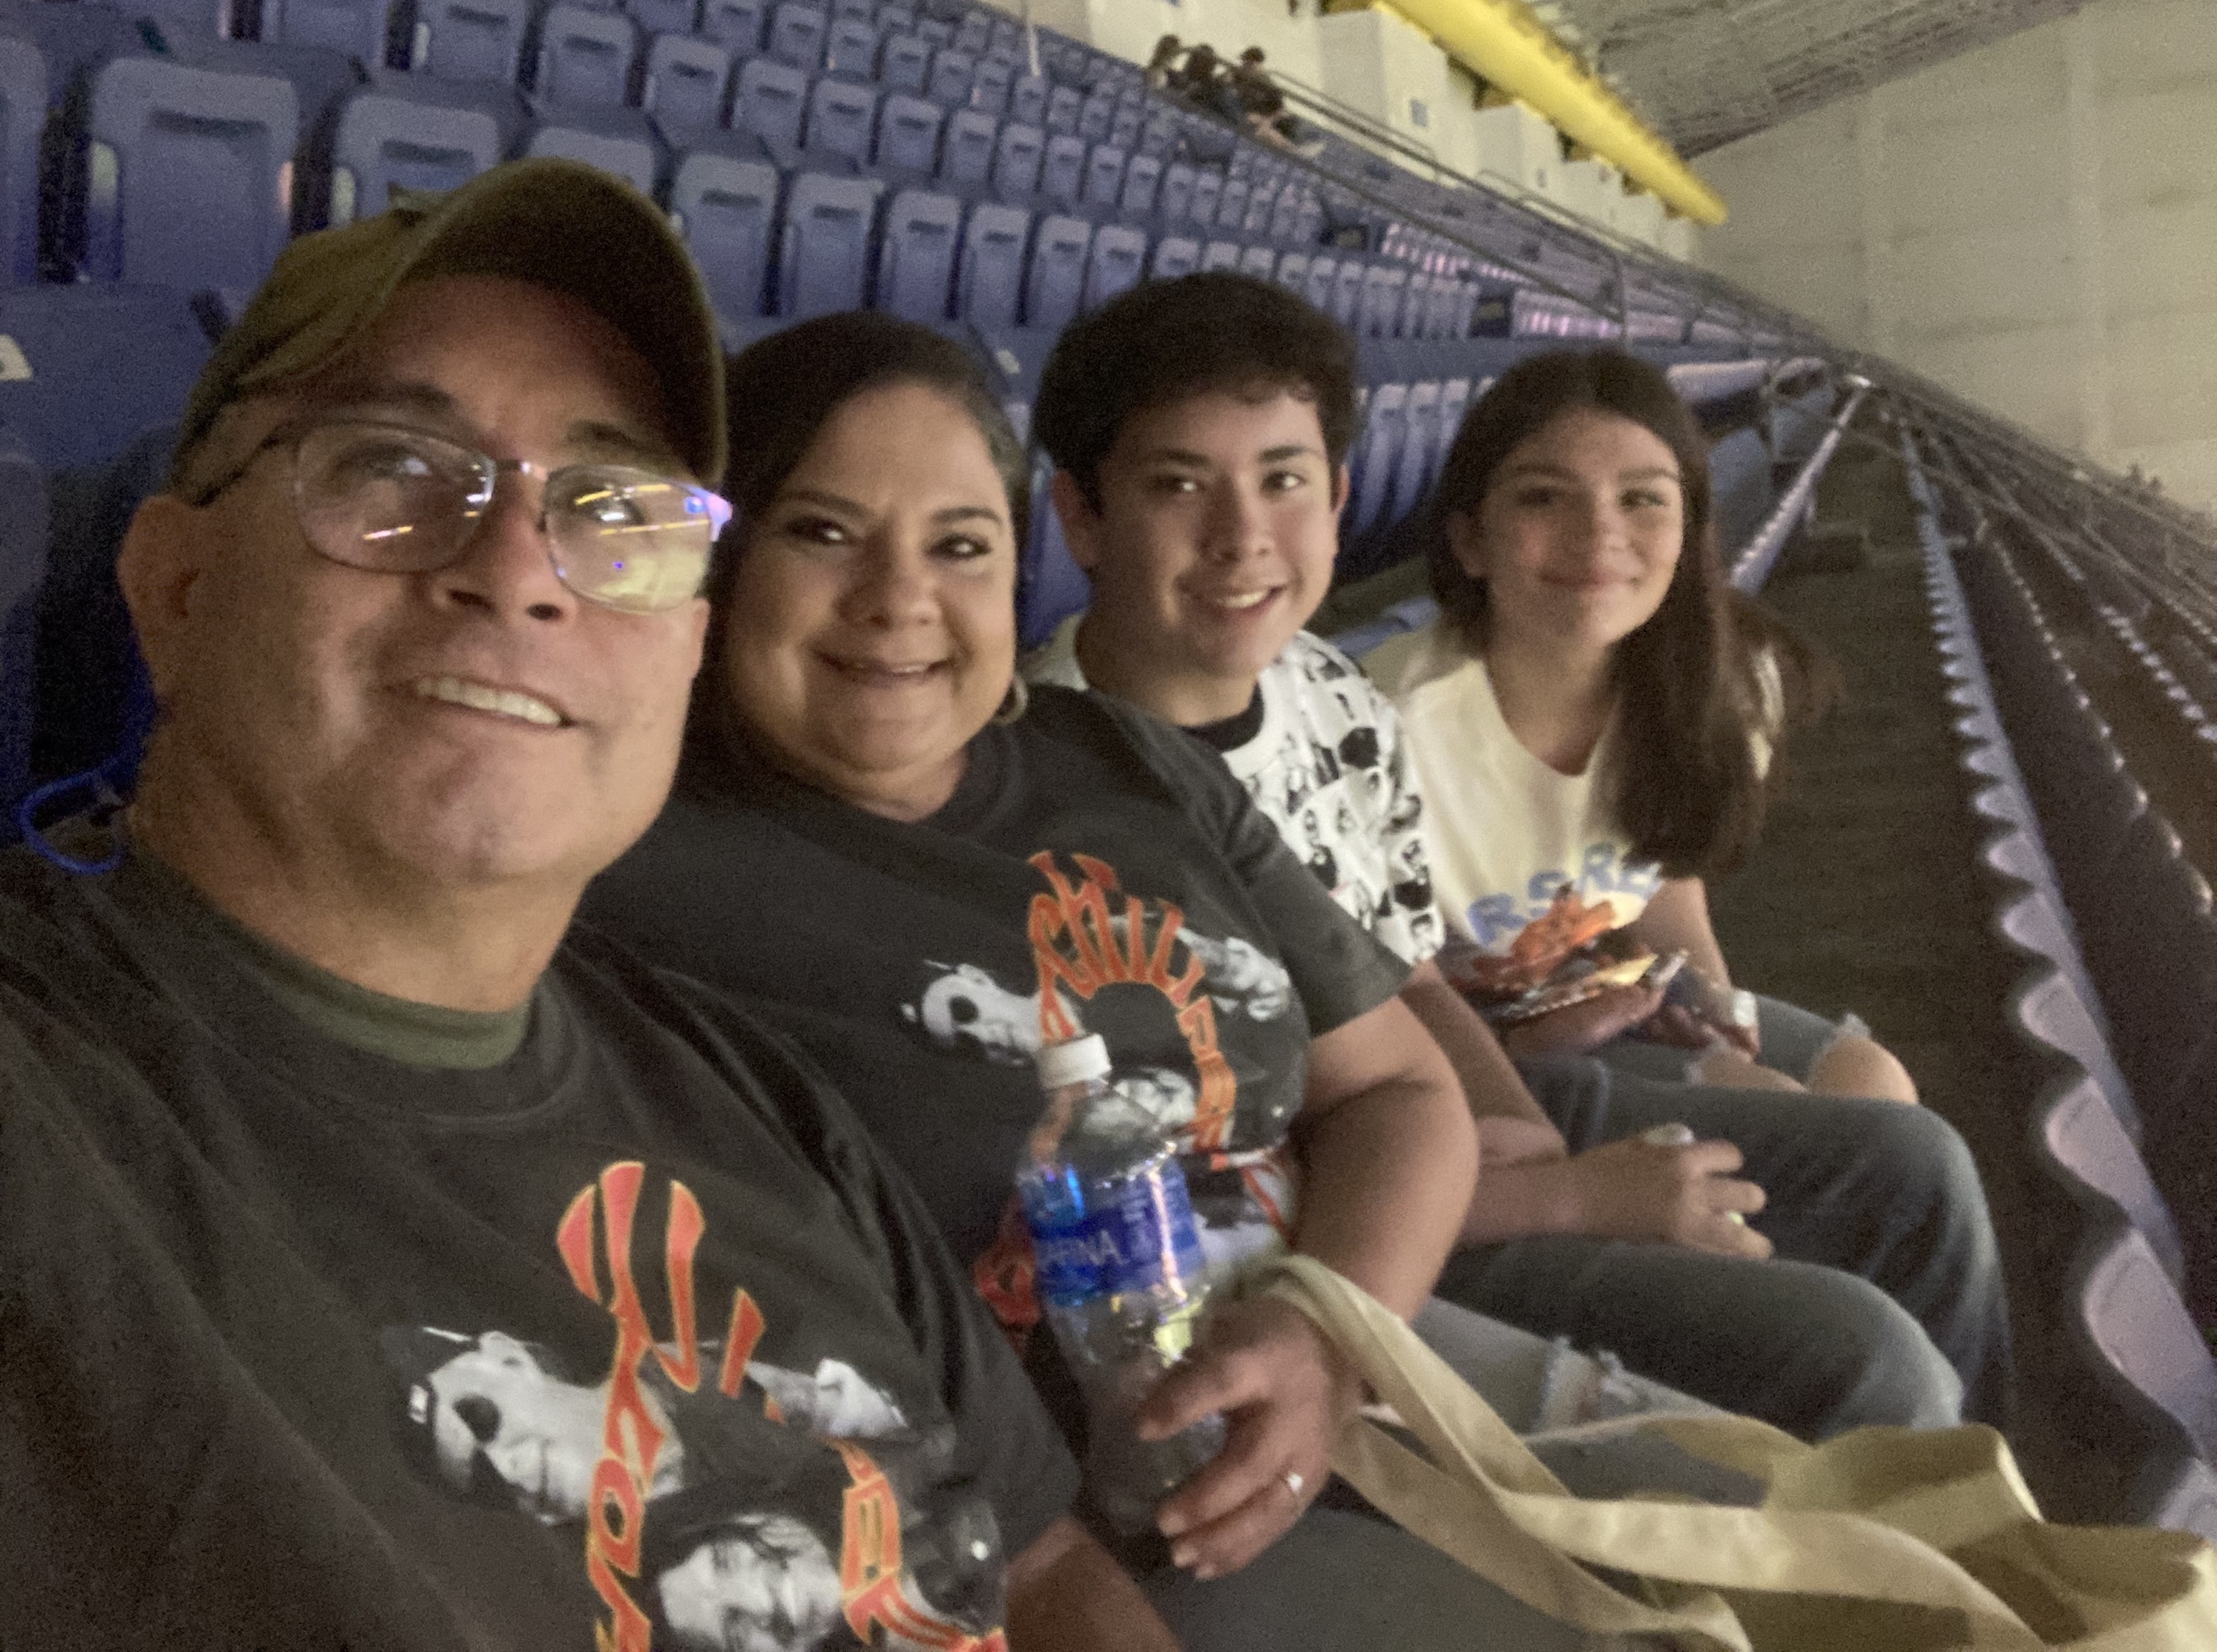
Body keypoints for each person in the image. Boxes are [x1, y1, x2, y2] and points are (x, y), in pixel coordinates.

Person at [0, 161, 1167, 1651]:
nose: (518, 572)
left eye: (612, 507)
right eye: (390, 467)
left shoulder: (745, 1096)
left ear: (682, 647)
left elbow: (1045, 1571)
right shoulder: (49, 1120)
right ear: (174, 584)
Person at [584, 311, 1701, 1651]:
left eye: (959, 546)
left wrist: (1322, 1340)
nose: (898, 599)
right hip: (1098, 1517)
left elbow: (1400, 1091)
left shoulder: (1124, 762)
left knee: (1817, 1477)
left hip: (1346, 1328)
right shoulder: (635, 867)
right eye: (822, 533)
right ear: (721, 560)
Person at [1018, 271, 2014, 1437]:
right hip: (1320, 1208)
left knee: (1912, 1174)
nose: (1243, 538)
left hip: (1449, 1103)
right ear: (1081, 516)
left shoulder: (1327, 696)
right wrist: (1561, 1194)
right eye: (1180, 485)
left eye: (1282, 480)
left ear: (1337, 499)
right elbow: (1225, 1158)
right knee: (1868, 1366)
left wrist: (1522, 1129)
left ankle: (1999, 1520)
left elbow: (1407, 976)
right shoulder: (1054, 793)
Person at [1367, 347, 1915, 1103]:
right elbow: (1367, 998)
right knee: (1802, 1122)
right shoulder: (1382, 729)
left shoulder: (1725, 679)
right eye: (1542, 497)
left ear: (1688, 530)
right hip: (1449, 1045)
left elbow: (1660, 872)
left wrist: (1713, 1003)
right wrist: (1524, 1045)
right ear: (1470, 540)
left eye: (1642, 498)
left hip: (1603, 984)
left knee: (1872, 1080)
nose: (1599, 533)